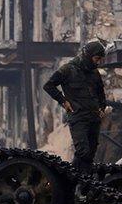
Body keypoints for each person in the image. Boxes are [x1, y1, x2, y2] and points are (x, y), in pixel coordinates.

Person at [43, 40, 107, 175]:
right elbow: (48, 86)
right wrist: (63, 101)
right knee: (83, 151)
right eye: (96, 59)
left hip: (94, 117)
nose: (98, 62)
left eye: (100, 59)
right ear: (88, 56)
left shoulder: (94, 73)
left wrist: (102, 108)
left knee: (90, 154)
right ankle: (76, 180)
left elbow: (100, 93)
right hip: (78, 117)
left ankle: (78, 182)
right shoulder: (67, 70)